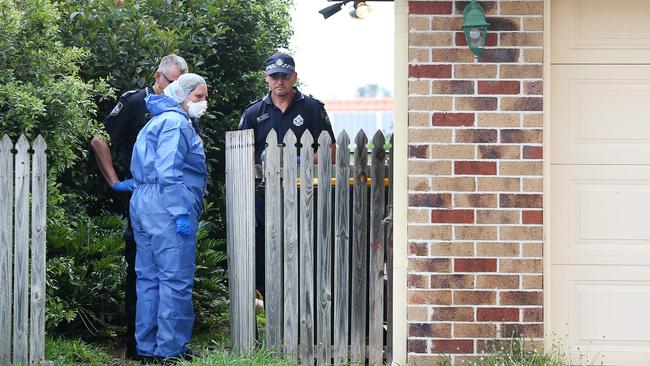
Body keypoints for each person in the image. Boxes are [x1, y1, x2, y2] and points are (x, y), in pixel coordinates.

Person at [90, 54, 188, 360]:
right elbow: (99, 138)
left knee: (169, 273)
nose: (177, 88)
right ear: (158, 76)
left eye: (181, 84)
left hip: (170, 199)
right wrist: (115, 181)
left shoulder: (180, 107)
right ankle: (138, 345)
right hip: (141, 196)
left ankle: (166, 344)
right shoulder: (135, 102)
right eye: (172, 82)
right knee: (142, 272)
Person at [238, 52, 336, 296]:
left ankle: (306, 293)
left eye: (284, 76)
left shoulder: (313, 108)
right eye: (274, 76)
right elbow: (242, 155)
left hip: (305, 193)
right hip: (264, 194)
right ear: (266, 78)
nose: (279, 81)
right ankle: (264, 295)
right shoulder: (253, 112)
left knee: (304, 242)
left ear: (294, 77)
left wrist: (298, 164)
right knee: (263, 243)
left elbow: (331, 152)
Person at [129, 73, 208, 362]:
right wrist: (180, 213)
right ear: (183, 95)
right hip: (168, 207)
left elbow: (143, 166)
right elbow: (168, 171)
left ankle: (147, 348)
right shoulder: (177, 124)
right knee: (175, 279)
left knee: (148, 278)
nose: (204, 103)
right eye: (199, 97)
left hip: (144, 203)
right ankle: (170, 350)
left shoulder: (156, 120)